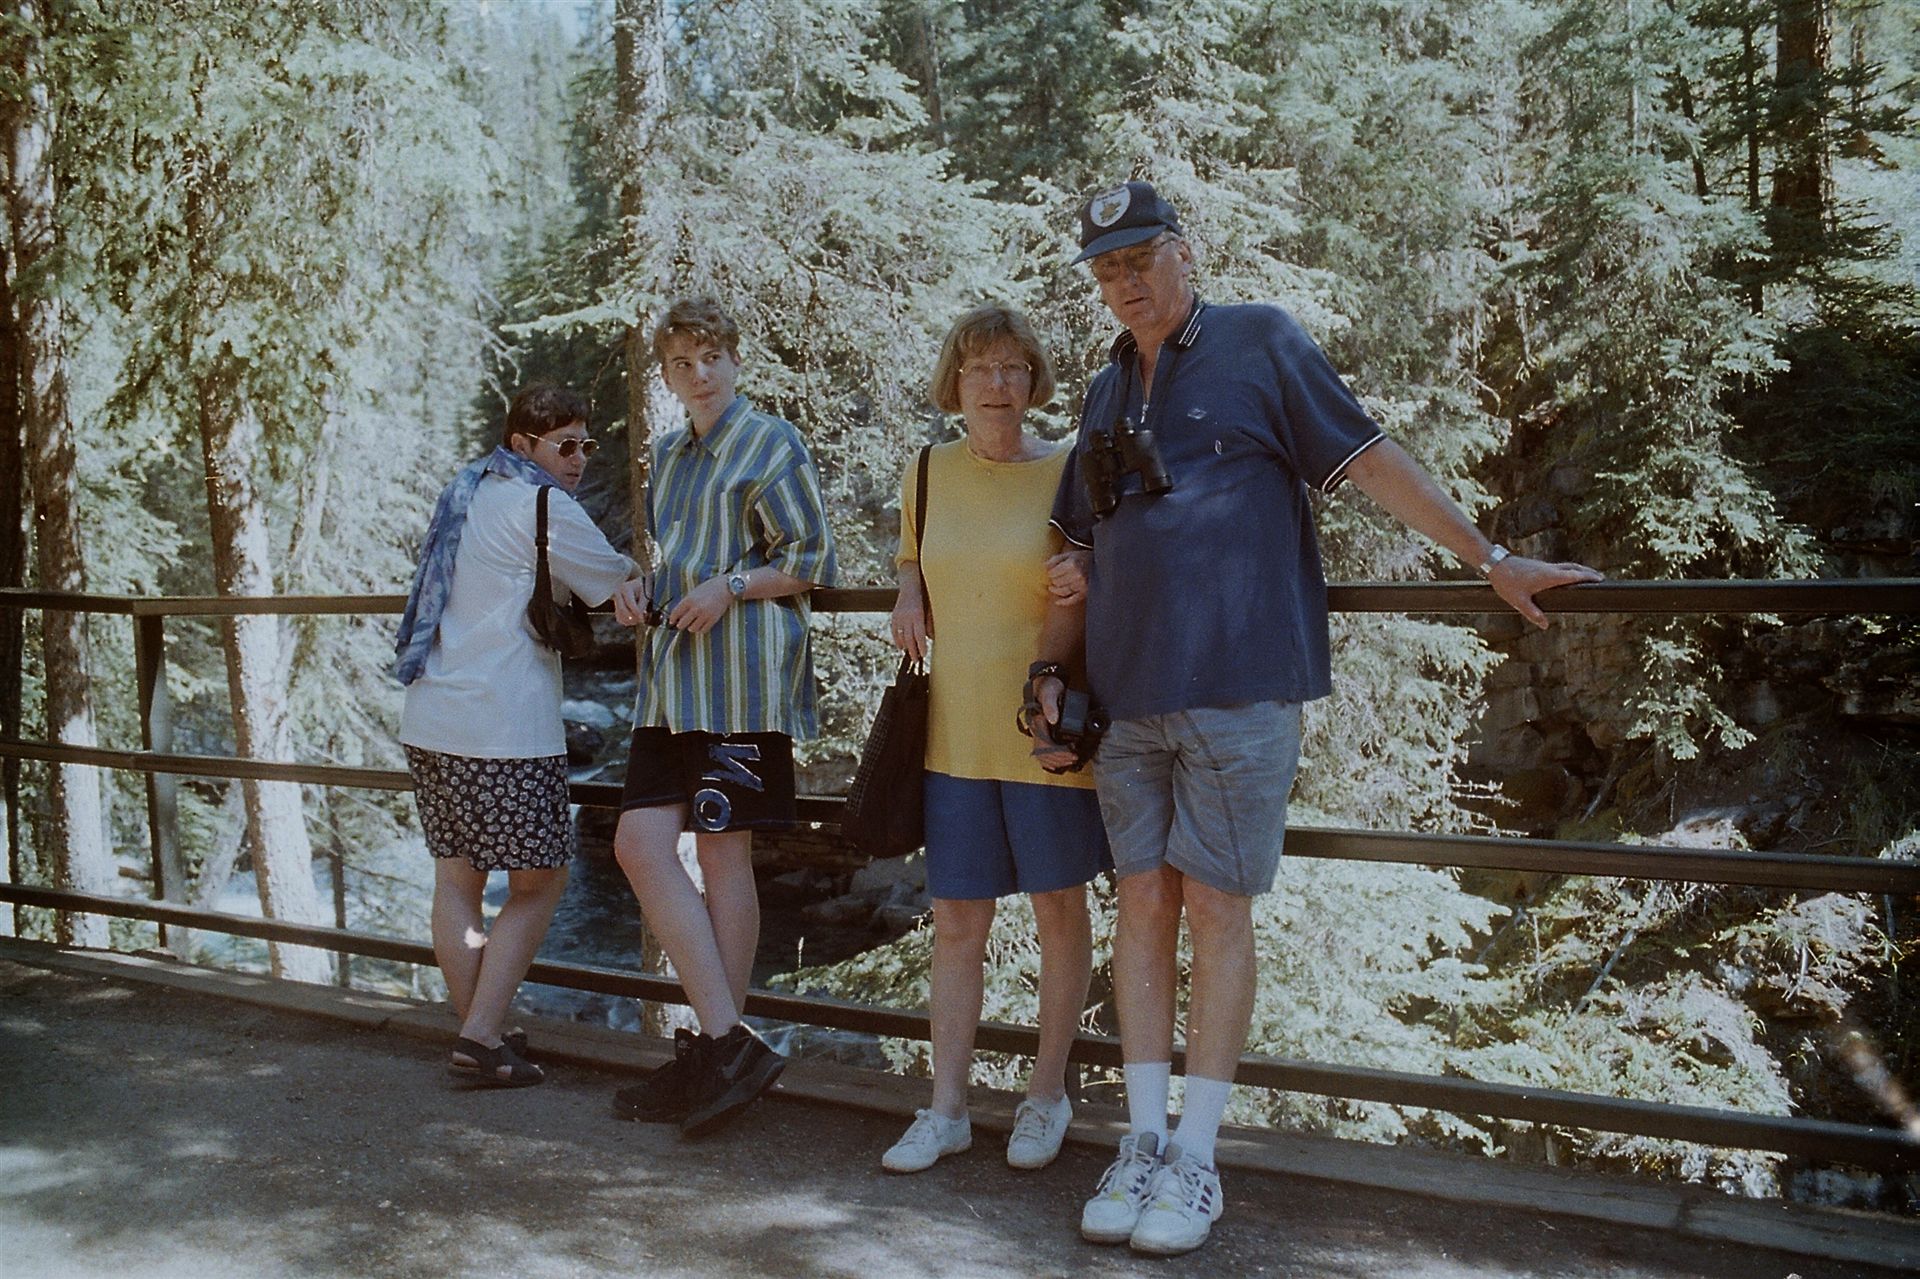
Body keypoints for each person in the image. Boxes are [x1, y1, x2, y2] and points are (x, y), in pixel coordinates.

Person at [1038, 181, 1604, 1256]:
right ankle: (1142, 1141)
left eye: (1141, 258)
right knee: (1142, 904)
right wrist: (1052, 667)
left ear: (1185, 252)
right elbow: (1074, 542)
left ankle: (1196, 1160)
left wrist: (1488, 557)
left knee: (1217, 907)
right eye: (1107, 270)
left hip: (1241, 687)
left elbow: (1371, 459)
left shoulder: (1261, 343)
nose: (1126, 283)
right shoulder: (1106, 390)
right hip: (1128, 697)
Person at [879, 305, 1110, 1175]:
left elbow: (1100, 566)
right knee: (956, 922)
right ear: (956, 381)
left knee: (1058, 909)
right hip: (953, 734)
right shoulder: (927, 471)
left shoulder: (1068, 470)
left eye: (1014, 367)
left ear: (1033, 379)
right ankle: (945, 1108)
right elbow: (915, 552)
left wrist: (1086, 571)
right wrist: (908, 584)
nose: (998, 385)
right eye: (980, 368)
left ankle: (1046, 1094)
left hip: (1044, 725)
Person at [606, 297, 838, 1136]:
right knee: (639, 843)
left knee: (722, 855)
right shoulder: (669, 455)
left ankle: (716, 1055)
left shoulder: (771, 442)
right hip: (673, 683)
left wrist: (730, 586)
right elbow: (679, 559)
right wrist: (642, 587)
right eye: (681, 364)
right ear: (668, 377)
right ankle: (727, 1042)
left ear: (735, 360)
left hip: (741, 682)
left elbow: (811, 558)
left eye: (711, 357)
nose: (698, 374)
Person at [395, 382, 645, 1087]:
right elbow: (614, 579)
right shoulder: (544, 505)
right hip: (503, 725)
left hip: (433, 714)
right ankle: (481, 1036)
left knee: (457, 879)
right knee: (541, 881)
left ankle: (482, 1028)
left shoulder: (468, 492)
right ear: (522, 446)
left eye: (585, 444)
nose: (578, 459)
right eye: (563, 446)